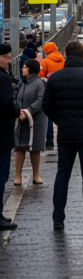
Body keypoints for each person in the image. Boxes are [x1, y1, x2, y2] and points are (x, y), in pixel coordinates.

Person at [43, 41, 83, 230]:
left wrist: (59, 120)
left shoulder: (55, 78)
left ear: (64, 54)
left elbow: (47, 106)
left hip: (65, 134)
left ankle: (58, 219)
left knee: (62, 174)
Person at [13, 59, 46, 186]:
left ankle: (36, 175)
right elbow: (15, 96)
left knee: (34, 147)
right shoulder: (22, 83)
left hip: (35, 120)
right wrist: (18, 112)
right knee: (20, 146)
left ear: (30, 69)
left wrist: (28, 112)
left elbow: (40, 101)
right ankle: (17, 176)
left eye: (24, 67)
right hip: (22, 120)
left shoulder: (39, 84)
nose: (22, 69)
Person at [0, 44, 20, 230]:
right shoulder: (3, 79)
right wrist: (16, 112)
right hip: (2, 135)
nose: (9, 61)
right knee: (1, 175)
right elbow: (7, 103)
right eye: (7, 57)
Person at [40, 41, 64, 149]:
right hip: (63, 92)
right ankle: (62, 137)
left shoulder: (44, 62)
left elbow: (40, 77)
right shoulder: (63, 60)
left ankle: (49, 140)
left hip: (49, 91)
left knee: (49, 115)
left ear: (46, 51)